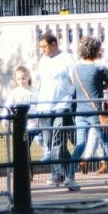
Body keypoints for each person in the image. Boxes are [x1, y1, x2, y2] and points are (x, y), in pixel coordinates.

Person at [69, 35, 108, 193]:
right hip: (96, 112)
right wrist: (103, 85)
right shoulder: (99, 67)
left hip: (80, 112)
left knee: (80, 145)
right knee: (106, 144)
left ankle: (70, 177)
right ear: (97, 50)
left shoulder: (76, 68)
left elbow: (76, 89)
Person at [34, 32, 75, 189]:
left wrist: (70, 99)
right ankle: (67, 172)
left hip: (61, 105)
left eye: (44, 47)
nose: (43, 50)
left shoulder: (67, 59)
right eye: (41, 47)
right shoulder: (43, 60)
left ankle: (57, 175)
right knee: (49, 141)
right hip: (44, 106)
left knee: (58, 140)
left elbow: (74, 80)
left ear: (53, 44)